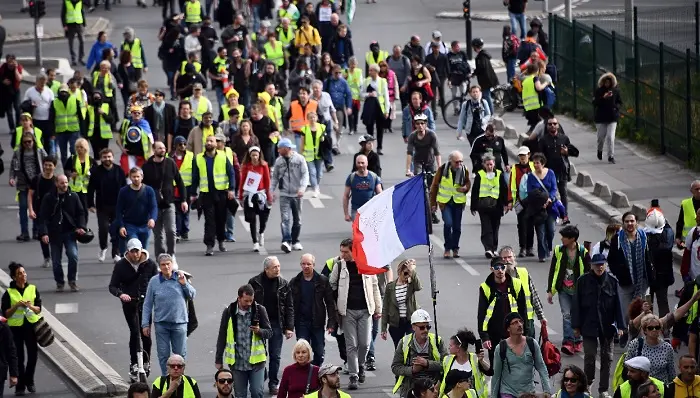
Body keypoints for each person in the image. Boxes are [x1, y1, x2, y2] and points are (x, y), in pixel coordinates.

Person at [329, 238, 381, 390]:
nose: (343, 254)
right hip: (347, 312)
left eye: (346, 252)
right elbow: (331, 286)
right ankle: (353, 375)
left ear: (354, 251)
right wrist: (334, 307)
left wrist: (378, 308)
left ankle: (361, 365)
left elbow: (374, 286)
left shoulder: (366, 264)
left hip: (366, 311)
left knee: (364, 343)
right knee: (351, 345)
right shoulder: (339, 266)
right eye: (342, 251)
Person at [572, 253, 625, 397]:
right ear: (591, 266)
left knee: (607, 358)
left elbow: (618, 305)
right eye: (596, 264)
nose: (599, 267)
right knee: (589, 356)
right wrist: (576, 326)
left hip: (607, 326)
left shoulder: (612, 281)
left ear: (606, 265)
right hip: (588, 325)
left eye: (602, 264)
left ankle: (603, 390)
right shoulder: (583, 281)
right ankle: (587, 384)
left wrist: (620, 326)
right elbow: (576, 304)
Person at [109, 238, 158, 381]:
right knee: (135, 332)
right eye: (133, 251)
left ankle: (146, 361)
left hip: (145, 304)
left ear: (142, 250)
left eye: (138, 251)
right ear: (128, 252)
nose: (136, 254)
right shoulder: (121, 266)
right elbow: (112, 286)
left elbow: (156, 283)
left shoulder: (150, 265)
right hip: (129, 303)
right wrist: (121, 294)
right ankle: (135, 363)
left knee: (145, 333)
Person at [215, 284, 273, 398]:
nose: (249, 304)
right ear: (239, 298)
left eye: (251, 300)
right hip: (237, 363)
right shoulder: (229, 312)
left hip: (257, 363)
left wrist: (259, 331)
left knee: (257, 392)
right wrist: (218, 359)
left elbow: (269, 332)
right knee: (240, 395)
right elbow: (222, 335)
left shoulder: (260, 310)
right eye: (246, 301)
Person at [142, 253, 196, 376]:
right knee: (163, 355)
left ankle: (180, 379)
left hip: (180, 323)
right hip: (162, 324)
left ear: (172, 265)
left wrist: (184, 284)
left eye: (168, 264)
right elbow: (147, 304)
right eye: (163, 265)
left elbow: (192, 295)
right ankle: (166, 379)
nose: (166, 267)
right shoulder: (154, 281)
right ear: (159, 267)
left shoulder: (181, 277)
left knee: (180, 355)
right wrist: (145, 324)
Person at [248, 256, 295, 395]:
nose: (278, 269)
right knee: (260, 354)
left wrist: (289, 327)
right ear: (266, 269)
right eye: (274, 267)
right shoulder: (254, 282)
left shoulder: (284, 284)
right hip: (259, 323)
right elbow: (248, 303)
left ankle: (273, 383)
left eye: (279, 266)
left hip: (276, 323)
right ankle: (263, 375)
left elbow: (289, 306)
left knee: (275, 356)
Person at [39, 174, 87, 292]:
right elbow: (43, 217)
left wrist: (81, 227)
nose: (65, 185)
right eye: (62, 183)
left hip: (70, 233)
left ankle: (72, 281)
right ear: (56, 184)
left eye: (66, 182)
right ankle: (59, 282)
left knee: (73, 256)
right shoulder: (49, 198)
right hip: (54, 234)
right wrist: (44, 233)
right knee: (56, 261)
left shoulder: (73, 196)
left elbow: (81, 213)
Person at [190, 135, 237, 256]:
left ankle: (221, 241)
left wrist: (231, 189)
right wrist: (193, 194)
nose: (209, 143)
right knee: (209, 220)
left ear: (216, 144)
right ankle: (209, 245)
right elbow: (195, 176)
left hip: (221, 192)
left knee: (221, 219)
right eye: (207, 141)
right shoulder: (198, 158)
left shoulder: (223, 156)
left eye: (211, 141)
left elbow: (231, 173)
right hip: (206, 194)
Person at [477, 257, 528, 363]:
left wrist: (525, 333)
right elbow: (482, 314)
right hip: (494, 333)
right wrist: (485, 337)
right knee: (495, 366)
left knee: (516, 364)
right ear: (492, 269)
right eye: (497, 267)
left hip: (513, 332)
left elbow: (523, 311)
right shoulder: (485, 287)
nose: (500, 270)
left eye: (502, 267)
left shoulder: (516, 284)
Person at [547, 225, 589, 355]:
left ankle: (578, 340)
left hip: (578, 290)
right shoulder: (559, 250)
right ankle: (568, 342)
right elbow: (553, 270)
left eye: (564, 237)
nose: (562, 239)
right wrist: (550, 290)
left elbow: (588, 272)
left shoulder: (583, 252)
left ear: (572, 239)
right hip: (563, 289)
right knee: (567, 315)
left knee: (578, 314)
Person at [1, 262, 41, 395]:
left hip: (31, 326)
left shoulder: (33, 289)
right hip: (15, 328)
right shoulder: (9, 293)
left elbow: (38, 309)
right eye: (19, 273)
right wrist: (17, 305)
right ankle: (20, 386)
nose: (23, 275)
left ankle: (29, 380)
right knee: (18, 357)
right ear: (14, 277)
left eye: (24, 272)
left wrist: (31, 307)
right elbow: (5, 313)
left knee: (33, 356)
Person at [289, 253, 337, 366]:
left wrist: (331, 323)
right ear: (300, 265)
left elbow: (330, 303)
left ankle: (315, 370)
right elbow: (289, 305)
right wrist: (289, 326)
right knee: (303, 351)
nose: (306, 266)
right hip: (301, 322)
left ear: (313, 265)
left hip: (317, 322)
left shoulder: (322, 280)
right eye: (303, 264)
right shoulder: (295, 282)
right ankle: (305, 375)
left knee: (319, 352)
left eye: (309, 264)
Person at [142, 141, 187, 258]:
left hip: (169, 203)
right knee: (158, 235)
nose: (162, 150)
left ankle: (171, 256)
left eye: (163, 148)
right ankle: (161, 258)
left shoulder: (170, 163)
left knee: (171, 231)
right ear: (154, 149)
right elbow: (143, 188)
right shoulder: (147, 166)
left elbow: (180, 182)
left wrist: (183, 200)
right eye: (159, 148)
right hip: (154, 206)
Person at [490, 312, 552, 398]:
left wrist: (547, 391)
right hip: (508, 392)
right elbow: (496, 376)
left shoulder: (532, 343)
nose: (519, 325)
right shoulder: (501, 348)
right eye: (515, 323)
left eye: (520, 321)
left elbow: (541, 368)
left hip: (529, 393)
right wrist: (493, 396)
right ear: (508, 328)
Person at [608, 212, 655, 324]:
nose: (630, 223)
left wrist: (651, 275)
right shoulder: (618, 239)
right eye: (627, 221)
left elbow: (650, 257)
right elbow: (611, 259)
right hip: (625, 283)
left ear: (637, 223)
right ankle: (627, 335)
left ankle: (641, 337)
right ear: (623, 223)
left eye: (632, 221)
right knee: (626, 313)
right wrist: (619, 274)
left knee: (642, 312)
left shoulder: (644, 237)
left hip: (642, 282)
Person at [390, 309, 446, 397]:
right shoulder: (404, 342)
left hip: (431, 391)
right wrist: (412, 370)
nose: (426, 330)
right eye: (422, 327)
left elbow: (446, 365)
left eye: (428, 327)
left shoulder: (437, 341)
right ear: (413, 327)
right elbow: (395, 367)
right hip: (411, 390)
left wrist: (427, 364)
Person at [88, 148, 126, 263]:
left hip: (117, 206)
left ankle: (116, 253)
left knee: (116, 230)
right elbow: (90, 189)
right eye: (104, 157)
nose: (107, 159)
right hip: (102, 205)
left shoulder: (119, 170)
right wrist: (90, 204)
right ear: (101, 159)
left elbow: (124, 188)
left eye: (109, 157)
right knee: (103, 228)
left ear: (113, 157)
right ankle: (103, 248)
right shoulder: (96, 171)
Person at [271, 138, 309, 253]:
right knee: (285, 219)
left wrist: (302, 189)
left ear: (287, 148)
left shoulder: (299, 159)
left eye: (280, 148)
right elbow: (275, 178)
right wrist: (271, 191)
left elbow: (305, 175)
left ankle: (295, 240)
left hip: (297, 195)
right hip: (284, 194)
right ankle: (286, 241)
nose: (278, 150)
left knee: (297, 220)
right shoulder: (279, 161)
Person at [429, 150, 470, 259]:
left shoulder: (464, 169)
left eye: (461, 161)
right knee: (448, 223)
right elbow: (434, 186)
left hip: (458, 202)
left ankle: (455, 248)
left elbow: (467, 182)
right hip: (445, 202)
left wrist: (465, 188)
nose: (459, 164)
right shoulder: (442, 170)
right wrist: (433, 203)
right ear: (450, 161)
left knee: (457, 227)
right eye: (456, 162)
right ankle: (447, 248)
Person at [499, 246, 546, 337]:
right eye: (504, 258)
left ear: (514, 258)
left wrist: (541, 317)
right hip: (507, 322)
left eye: (509, 257)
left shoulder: (523, 273)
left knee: (529, 348)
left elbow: (534, 296)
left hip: (526, 320)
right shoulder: (497, 278)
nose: (507, 260)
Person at [9, 133, 47, 242]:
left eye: (29, 142)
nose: (27, 144)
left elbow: (49, 161)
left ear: (33, 141)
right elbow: (13, 166)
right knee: (23, 207)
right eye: (25, 142)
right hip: (23, 184)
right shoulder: (18, 152)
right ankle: (24, 232)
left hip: (37, 184)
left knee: (36, 208)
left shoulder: (39, 151)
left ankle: (36, 231)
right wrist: (12, 177)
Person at [470, 153, 508, 258]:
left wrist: (506, 203)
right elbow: (475, 191)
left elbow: (504, 189)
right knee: (486, 228)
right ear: (484, 165)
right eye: (487, 164)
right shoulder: (480, 175)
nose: (489, 166)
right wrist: (473, 206)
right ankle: (488, 248)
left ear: (494, 164)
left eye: (491, 164)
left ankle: (494, 248)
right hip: (483, 206)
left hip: (496, 206)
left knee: (495, 228)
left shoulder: (500, 174)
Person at [115, 167, 158, 253]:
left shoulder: (149, 190)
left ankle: (141, 266)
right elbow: (119, 210)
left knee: (143, 250)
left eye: (138, 176)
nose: (136, 179)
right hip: (130, 225)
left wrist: (152, 219)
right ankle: (132, 265)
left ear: (142, 177)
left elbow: (153, 207)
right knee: (134, 247)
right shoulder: (124, 191)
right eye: (134, 177)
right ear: (130, 177)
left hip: (145, 225)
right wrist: (121, 226)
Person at [438, 328, 491, 398]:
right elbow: (443, 379)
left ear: (458, 347)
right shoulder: (447, 360)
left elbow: (489, 371)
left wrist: (481, 361)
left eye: (451, 345)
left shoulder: (475, 358)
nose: (449, 348)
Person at [381, 259, 422, 348]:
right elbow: (385, 307)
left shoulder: (411, 284)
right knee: (399, 348)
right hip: (396, 322)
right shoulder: (390, 287)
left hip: (410, 321)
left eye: (409, 273)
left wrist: (412, 271)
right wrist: (383, 328)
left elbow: (419, 287)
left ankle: (410, 362)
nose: (407, 276)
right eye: (405, 273)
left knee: (411, 346)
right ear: (400, 271)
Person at [625, 314, 675, 383]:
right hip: (640, 387)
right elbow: (627, 366)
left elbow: (671, 373)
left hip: (660, 388)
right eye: (650, 328)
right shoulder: (635, 344)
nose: (654, 330)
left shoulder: (667, 347)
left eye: (657, 327)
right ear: (645, 330)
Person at [28, 155, 58, 268]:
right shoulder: (37, 179)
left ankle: (55, 256)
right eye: (45, 165)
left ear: (54, 167)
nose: (47, 167)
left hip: (54, 213)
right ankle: (47, 257)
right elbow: (30, 194)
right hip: (39, 212)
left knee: (54, 236)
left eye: (50, 165)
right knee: (43, 235)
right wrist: (30, 209)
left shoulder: (56, 180)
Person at [239, 146, 271, 251]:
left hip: (261, 194)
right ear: (249, 156)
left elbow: (267, 180)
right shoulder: (246, 166)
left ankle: (261, 232)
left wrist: (268, 195)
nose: (254, 157)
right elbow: (242, 181)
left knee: (263, 217)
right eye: (252, 155)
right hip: (250, 194)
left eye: (256, 155)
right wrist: (240, 196)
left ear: (259, 155)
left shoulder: (264, 165)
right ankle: (255, 242)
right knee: (252, 218)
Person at [50, 83, 84, 167]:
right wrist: (52, 132)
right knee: (63, 153)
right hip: (60, 131)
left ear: (68, 91)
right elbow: (51, 118)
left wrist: (83, 131)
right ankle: (66, 170)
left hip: (73, 130)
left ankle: (74, 167)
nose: (63, 94)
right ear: (59, 92)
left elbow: (80, 116)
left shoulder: (75, 100)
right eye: (62, 92)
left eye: (65, 92)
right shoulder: (54, 102)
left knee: (73, 149)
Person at [594, 72, 622, 164]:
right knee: (601, 137)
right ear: (603, 82)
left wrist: (616, 107)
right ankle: (599, 150)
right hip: (601, 117)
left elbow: (619, 102)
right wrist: (603, 97)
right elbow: (595, 103)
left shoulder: (616, 91)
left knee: (610, 137)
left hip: (612, 117)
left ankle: (611, 156)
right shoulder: (599, 91)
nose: (607, 84)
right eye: (605, 82)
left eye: (609, 82)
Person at [361, 64, 390, 154]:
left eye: (371, 71)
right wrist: (368, 94)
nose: (369, 72)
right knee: (369, 127)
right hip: (369, 107)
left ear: (376, 71)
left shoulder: (382, 81)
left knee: (380, 128)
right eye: (369, 71)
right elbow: (361, 94)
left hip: (379, 107)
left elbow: (386, 96)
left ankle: (379, 147)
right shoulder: (366, 81)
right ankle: (370, 147)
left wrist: (387, 110)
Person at [64, 138, 94, 222]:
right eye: (77, 147)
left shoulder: (91, 160)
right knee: (73, 210)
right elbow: (66, 170)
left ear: (86, 148)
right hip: (73, 189)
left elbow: (95, 173)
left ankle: (83, 228)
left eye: (81, 147)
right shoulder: (72, 159)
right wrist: (70, 174)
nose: (79, 149)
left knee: (84, 210)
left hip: (85, 189)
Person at [62, 0, 87, 66]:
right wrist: (64, 25)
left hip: (79, 24)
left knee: (82, 41)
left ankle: (80, 58)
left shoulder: (80, 1)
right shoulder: (66, 2)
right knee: (71, 43)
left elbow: (82, 12)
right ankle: (73, 59)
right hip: (70, 25)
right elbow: (63, 14)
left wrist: (84, 24)